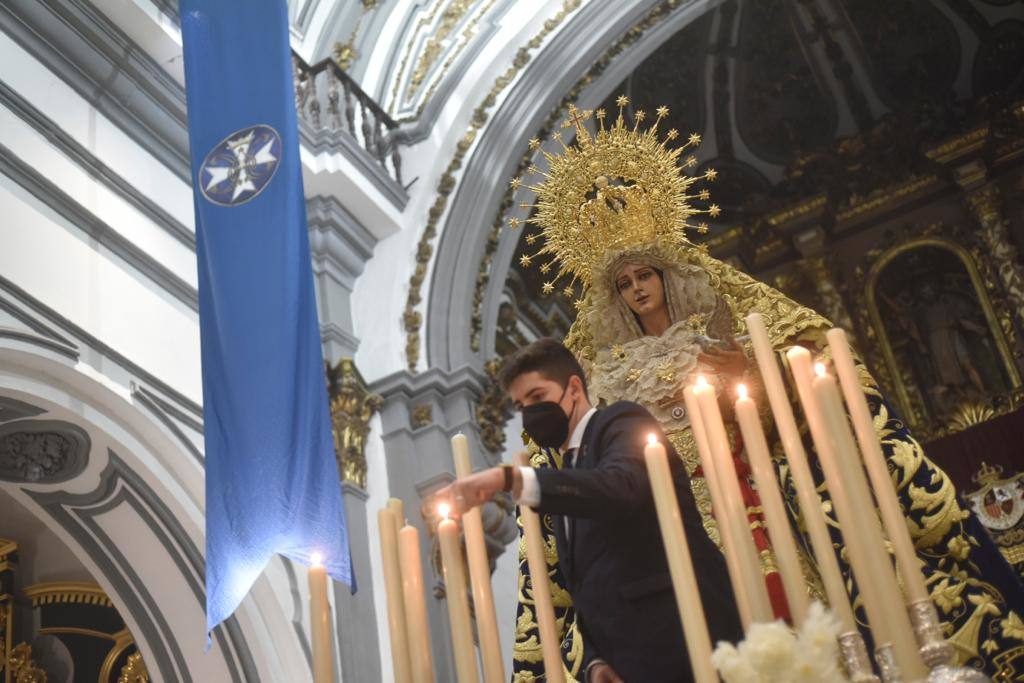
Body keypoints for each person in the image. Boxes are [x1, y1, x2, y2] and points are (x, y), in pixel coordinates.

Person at [439, 338, 743, 683]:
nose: (530, 413)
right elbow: (589, 584)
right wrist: (597, 661)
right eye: (521, 406)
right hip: (632, 663)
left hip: (689, 638)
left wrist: (509, 478)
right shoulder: (570, 469)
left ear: (574, 388)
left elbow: (620, 488)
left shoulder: (621, 422)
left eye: (537, 397)